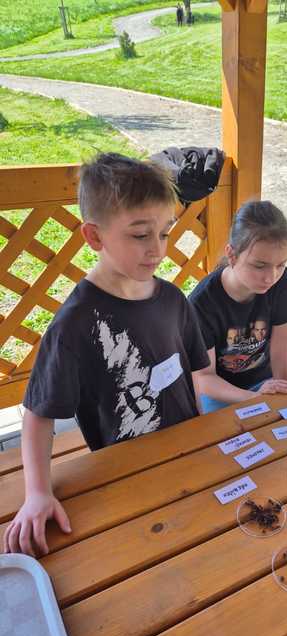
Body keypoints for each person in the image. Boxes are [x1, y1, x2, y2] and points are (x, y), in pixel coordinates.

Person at [3, 152, 211, 557]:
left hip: (188, 457)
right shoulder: (74, 325)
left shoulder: (173, 300)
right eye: (140, 235)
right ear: (95, 238)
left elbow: (195, 376)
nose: (157, 250)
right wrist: (38, 492)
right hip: (125, 477)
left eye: (165, 233)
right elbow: (39, 415)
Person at [190, 200, 287, 413]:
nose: (271, 277)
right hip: (221, 391)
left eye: (281, 264)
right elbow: (204, 377)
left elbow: (281, 360)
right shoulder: (201, 304)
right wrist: (255, 399)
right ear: (232, 255)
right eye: (259, 265)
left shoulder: (284, 284)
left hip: (267, 382)